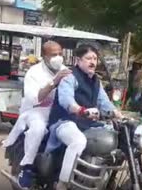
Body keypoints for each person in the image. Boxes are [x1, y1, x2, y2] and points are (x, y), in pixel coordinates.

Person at [47, 44, 122, 190]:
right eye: (88, 58)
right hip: (64, 121)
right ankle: (62, 184)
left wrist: (119, 115)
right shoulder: (69, 76)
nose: (93, 62)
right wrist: (80, 110)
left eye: (95, 58)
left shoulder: (96, 81)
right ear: (78, 60)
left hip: (87, 123)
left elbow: (104, 102)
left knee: (114, 137)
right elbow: (66, 100)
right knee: (78, 141)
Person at [1, 40, 71, 189]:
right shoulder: (34, 72)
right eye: (54, 55)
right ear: (44, 56)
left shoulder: (65, 70)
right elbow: (35, 98)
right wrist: (54, 81)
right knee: (38, 129)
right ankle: (26, 170)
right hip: (36, 111)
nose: (58, 57)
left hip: (58, 111)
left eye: (60, 54)